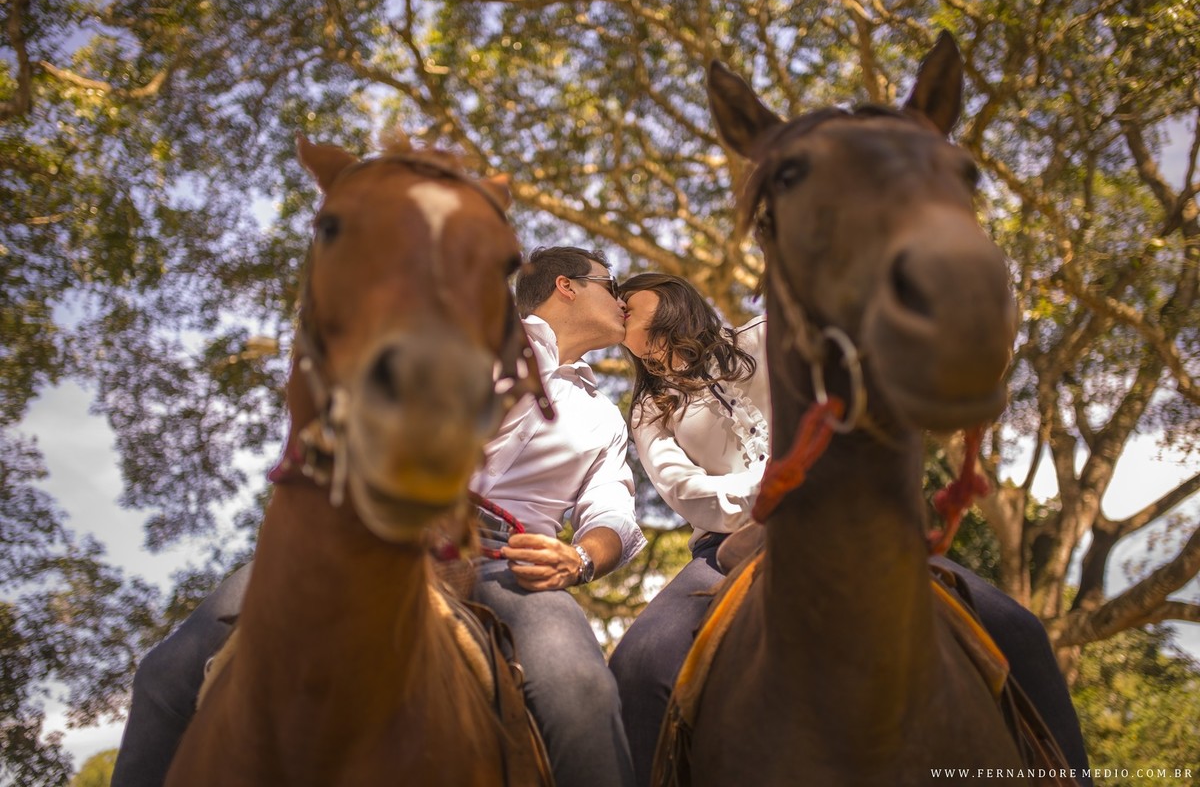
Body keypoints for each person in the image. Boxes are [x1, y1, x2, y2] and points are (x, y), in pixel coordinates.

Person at [111, 246, 645, 787]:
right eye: (612, 284)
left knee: (582, 690)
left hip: (510, 565)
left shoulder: (604, 417)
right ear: (566, 285)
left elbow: (613, 513)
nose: (623, 300)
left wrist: (577, 558)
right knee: (164, 676)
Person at [607, 274, 1092, 787]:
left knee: (1019, 628)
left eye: (626, 302)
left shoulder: (770, 336)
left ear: (668, 295)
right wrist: (768, 488)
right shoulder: (647, 410)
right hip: (724, 542)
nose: (619, 314)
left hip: (835, 517)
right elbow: (682, 489)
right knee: (640, 662)